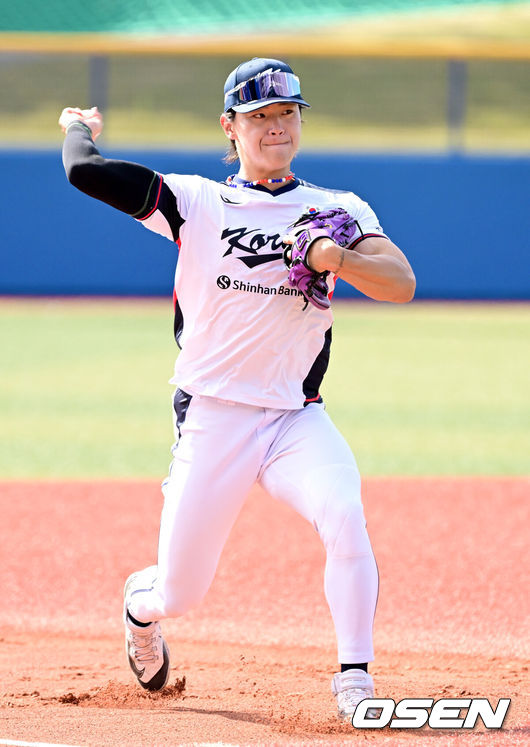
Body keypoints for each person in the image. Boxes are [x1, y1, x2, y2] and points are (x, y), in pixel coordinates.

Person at [59, 56, 415, 720]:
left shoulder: (338, 209)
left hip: (294, 419)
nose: (276, 126)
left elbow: (401, 284)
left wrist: (336, 257)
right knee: (180, 592)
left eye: (287, 113)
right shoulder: (195, 202)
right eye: (260, 116)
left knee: (344, 511)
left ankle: (355, 679)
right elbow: (84, 171)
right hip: (213, 417)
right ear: (230, 126)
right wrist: (79, 127)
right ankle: (140, 608)